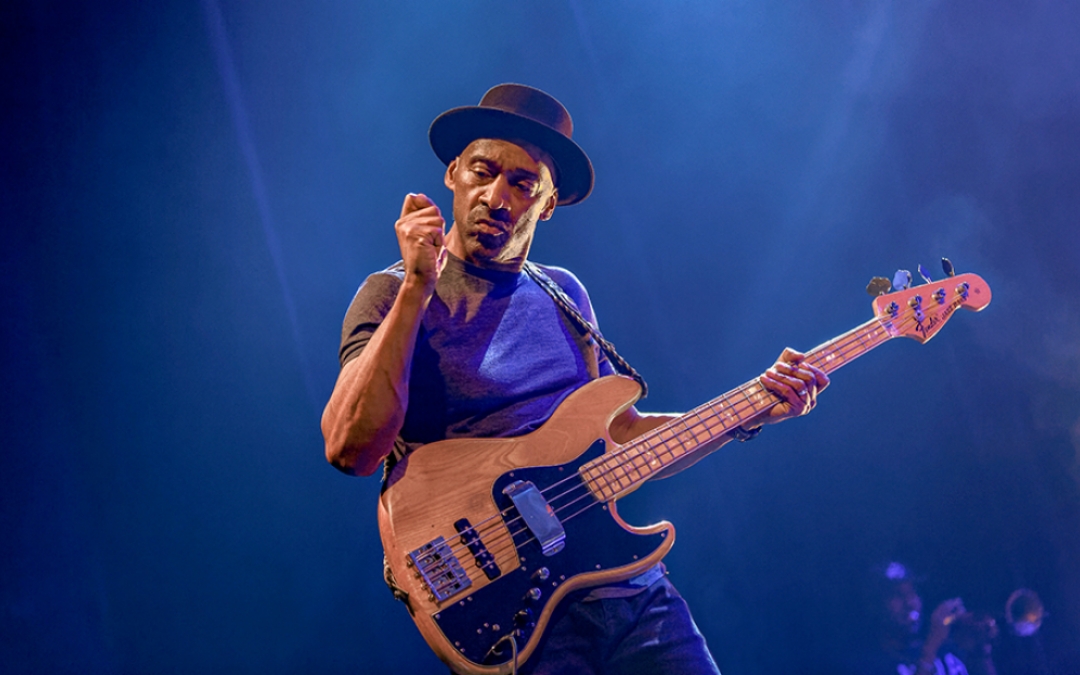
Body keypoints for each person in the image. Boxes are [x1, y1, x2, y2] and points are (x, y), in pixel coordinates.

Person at [321, 83, 830, 675]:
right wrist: (417, 286)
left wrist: (753, 409)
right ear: (453, 173)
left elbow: (623, 438)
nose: (496, 197)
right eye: (483, 172)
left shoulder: (564, 295)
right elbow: (351, 449)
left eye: (523, 184)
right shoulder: (389, 293)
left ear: (548, 203)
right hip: (518, 612)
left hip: (629, 590)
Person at [850, 562, 999, 675]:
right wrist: (933, 643)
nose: (910, 603)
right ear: (875, 606)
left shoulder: (944, 648)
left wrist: (982, 651)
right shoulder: (868, 663)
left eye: (912, 593)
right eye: (898, 595)